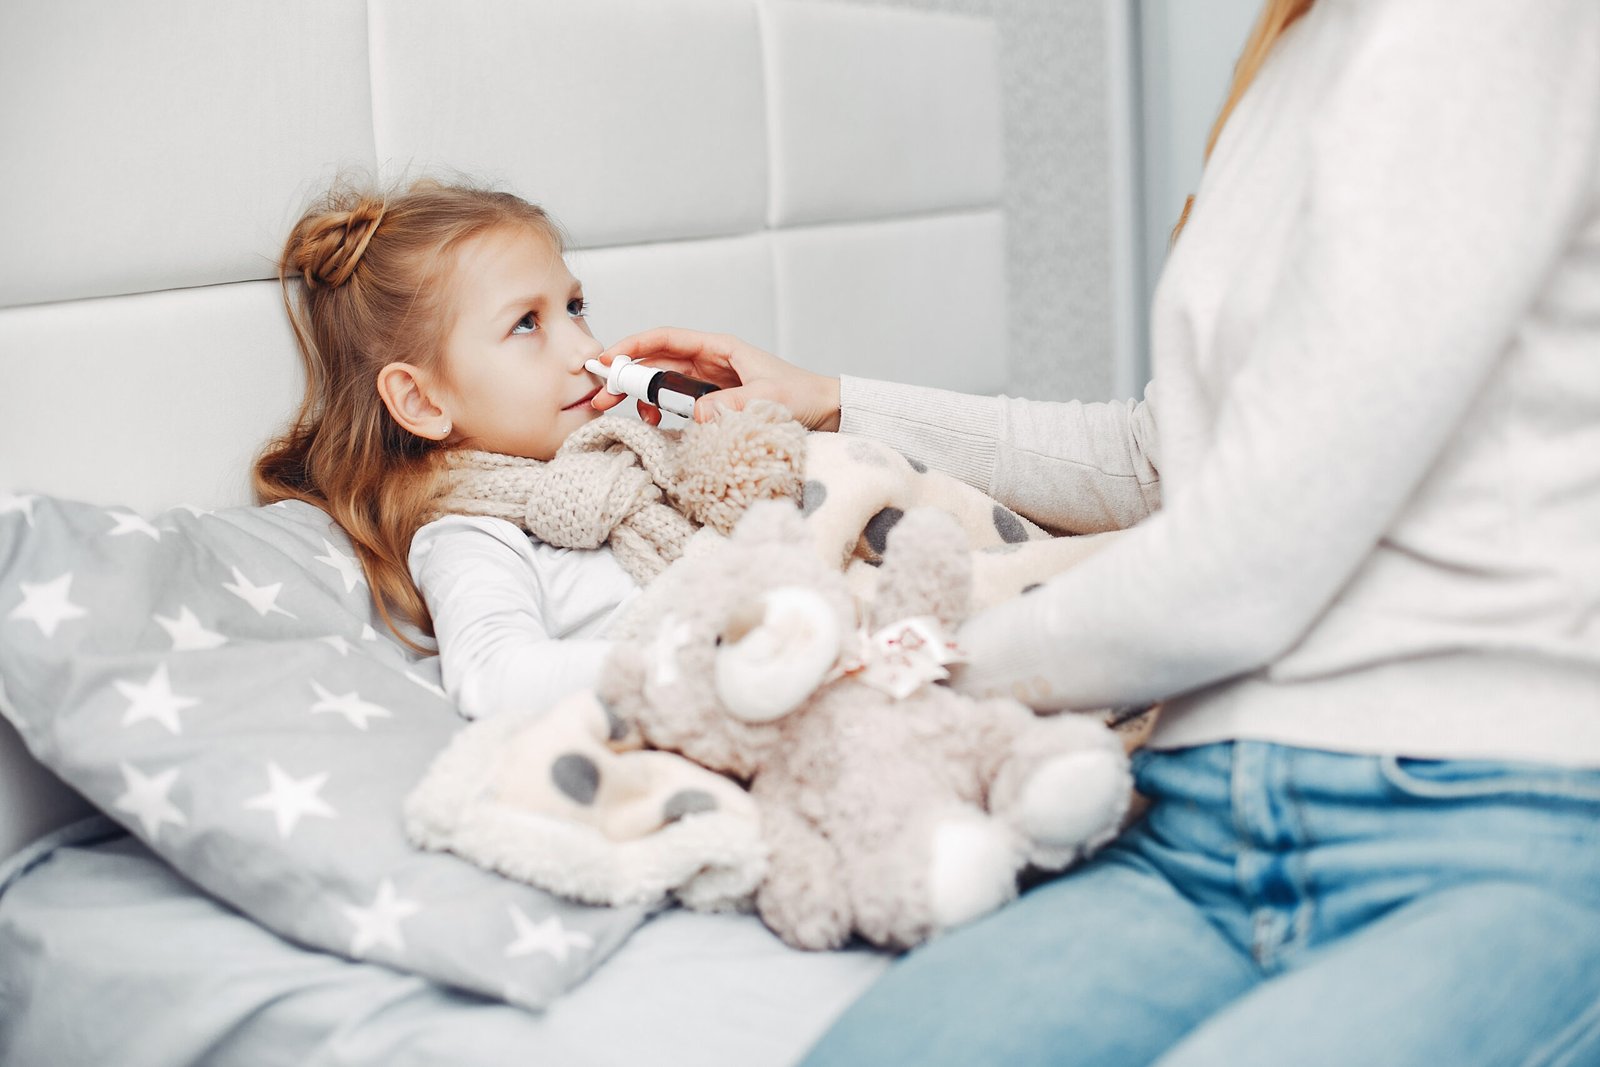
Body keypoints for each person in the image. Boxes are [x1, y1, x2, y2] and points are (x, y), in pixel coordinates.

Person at [590, 0, 1600, 1062]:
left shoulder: (1489, 25)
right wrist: (834, 399)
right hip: (1204, 817)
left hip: (1483, 809)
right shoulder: (1297, 52)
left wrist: (898, 672)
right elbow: (1164, 458)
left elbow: (1245, 570)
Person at [254, 178, 640, 718]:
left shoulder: (637, 468)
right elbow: (496, 680)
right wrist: (698, 666)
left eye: (575, 306)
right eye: (526, 323)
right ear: (421, 401)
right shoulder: (474, 536)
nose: (589, 347)